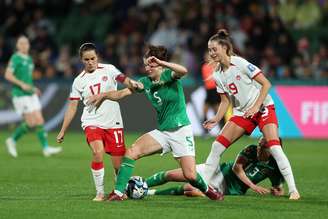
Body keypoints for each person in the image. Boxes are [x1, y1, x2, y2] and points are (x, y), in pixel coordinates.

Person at [87, 45, 224, 201]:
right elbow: (121, 93)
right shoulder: (145, 81)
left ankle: (208, 190)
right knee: (131, 152)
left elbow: (183, 71)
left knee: (191, 175)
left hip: (181, 131)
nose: (147, 68)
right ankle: (118, 193)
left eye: (151, 65)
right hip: (163, 132)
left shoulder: (169, 75)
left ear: (160, 64)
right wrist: (104, 95)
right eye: (146, 65)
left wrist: (162, 63)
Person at [202, 29, 300, 200]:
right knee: (217, 146)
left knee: (275, 147)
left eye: (214, 49)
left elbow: (266, 84)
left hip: (263, 107)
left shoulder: (239, 63)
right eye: (209, 50)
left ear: (225, 48)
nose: (211, 53)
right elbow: (225, 101)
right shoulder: (216, 74)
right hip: (243, 113)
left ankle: (293, 190)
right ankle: (204, 187)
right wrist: (216, 118)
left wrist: (256, 106)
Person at [56, 42, 143, 201]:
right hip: (91, 121)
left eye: (92, 58)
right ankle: (100, 192)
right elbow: (73, 106)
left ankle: (119, 190)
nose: (90, 62)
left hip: (113, 121)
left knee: (118, 165)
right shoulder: (78, 81)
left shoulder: (109, 69)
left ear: (97, 57)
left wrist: (132, 83)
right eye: (86, 59)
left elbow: (123, 78)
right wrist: (63, 130)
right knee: (97, 151)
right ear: (81, 60)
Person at [146, 137, 285, 197]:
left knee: (189, 188)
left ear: (273, 149)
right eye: (260, 144)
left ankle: (148, 193)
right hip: (217, 170)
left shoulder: (275, 166)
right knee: (171, 174)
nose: (259, 148)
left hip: (227, 187)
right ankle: (140, 185)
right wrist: (253, 186)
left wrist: (277, 191)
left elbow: (278, 187)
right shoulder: (251, 150)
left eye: (264, 147)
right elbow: (237, 168)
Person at [4, 35, 62, 157]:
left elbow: (27, 79)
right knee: (30, 122)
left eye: (26, 43)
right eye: (21, 43)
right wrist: (21, 85)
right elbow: (8, 75)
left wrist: (33, 88)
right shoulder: (15, 58)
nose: (24, 45)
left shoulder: (29, 59)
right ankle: (12, 140)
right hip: (20, 94)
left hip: (30, 93)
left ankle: (46, 148)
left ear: (29, 45)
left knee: (39, 120)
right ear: (17, 45)